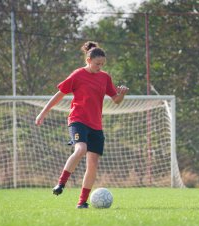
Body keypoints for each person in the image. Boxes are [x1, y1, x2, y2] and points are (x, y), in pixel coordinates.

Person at [35, 41, 129, 209]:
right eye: (97, 63)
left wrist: (121, 94)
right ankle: (61, 184)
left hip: (96, 125)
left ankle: (82, 202)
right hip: (78, 120)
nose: (100, 67)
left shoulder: (105, 77)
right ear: (88, 60)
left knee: (93, 164)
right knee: (80, 149)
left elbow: (116, 100)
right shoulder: (78, 75)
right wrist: (43, 113)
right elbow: (59, 94)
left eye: (102, 64)